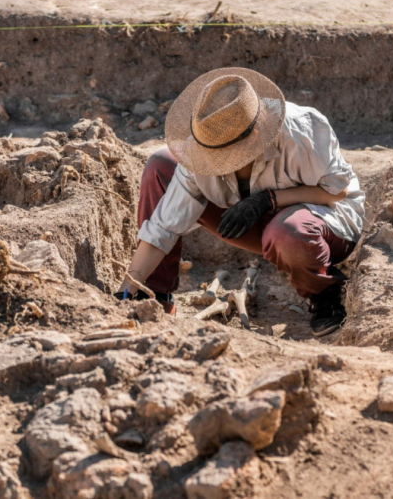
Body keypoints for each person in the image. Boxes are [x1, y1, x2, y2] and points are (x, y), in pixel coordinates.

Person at [115, 67, 365, 337]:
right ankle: (154, 296)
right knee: (161, 165)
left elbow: (337, 191)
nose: (213, 164)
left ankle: (324, 292)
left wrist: (268, 200)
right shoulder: (204, 144)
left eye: (225, 156)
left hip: (324, 223)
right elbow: (163, 225)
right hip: (257, 225)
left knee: (288, 231)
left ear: (254, 137)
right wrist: (129, 287)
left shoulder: (302, 130)